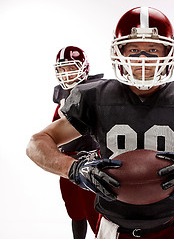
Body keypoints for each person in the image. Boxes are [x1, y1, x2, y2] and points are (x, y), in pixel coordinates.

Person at [26, 7, 174, 239]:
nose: (143, 59)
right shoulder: (95, 97)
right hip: (112, 226)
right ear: (119, 52)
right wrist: (74, 169)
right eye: (134, 49)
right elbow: (37, 143)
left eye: (153, 50)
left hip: (171, 226)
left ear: (168, 52)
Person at [53, 46, 104, 239]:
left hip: (91, 163)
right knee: (75, 212)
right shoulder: (62, 96)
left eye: (71, 68)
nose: (66, 73)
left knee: (97, 216)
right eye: (62, 69)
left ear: (84, 68)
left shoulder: (95, 92)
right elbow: (54, 128)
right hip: (66, 164)